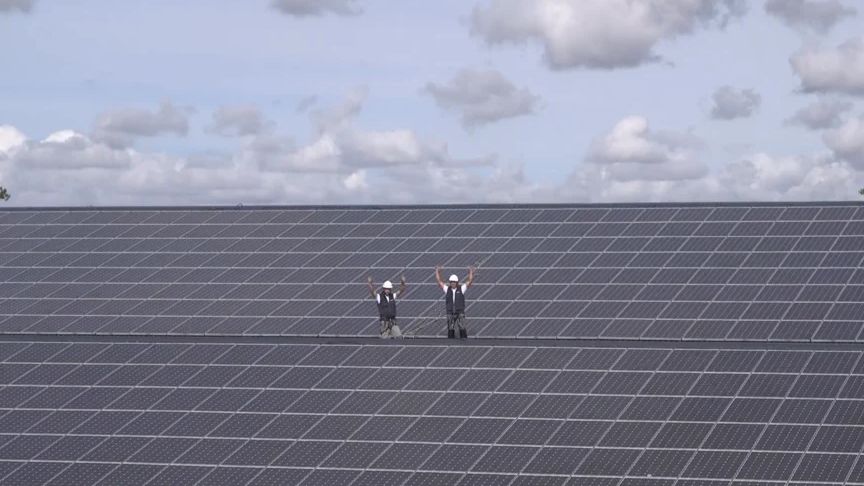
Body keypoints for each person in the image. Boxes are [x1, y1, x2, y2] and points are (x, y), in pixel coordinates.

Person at [435, 265, 475, 339]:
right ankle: (451, 341)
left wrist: (471, 272)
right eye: (451, 282)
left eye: (454, 282)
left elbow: (469, 281)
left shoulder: (461, 289)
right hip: (450, 312)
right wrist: (438, 272)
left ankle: (464, 340)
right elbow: (439, 281)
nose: (453, 283)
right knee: (450, 328)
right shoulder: (447, 289)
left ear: (457, 282)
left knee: (462, 327)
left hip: (460, 312)